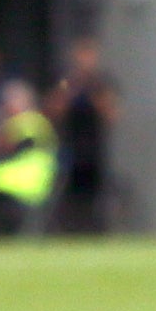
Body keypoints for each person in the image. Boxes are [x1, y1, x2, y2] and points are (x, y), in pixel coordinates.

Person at [0, 78, 57, 236]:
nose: (6, 105)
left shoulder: (27, 121)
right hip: (30, 179)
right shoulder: (36, 121)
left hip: (25, 180)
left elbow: (7, 146)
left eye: (9, 101)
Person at [49, 39, 119, 235]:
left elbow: (111, 114)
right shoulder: (66, 81)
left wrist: (96, 94)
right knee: (68, 194)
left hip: (94, 148)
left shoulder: (102, 83)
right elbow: (54, 109)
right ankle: (68, 231)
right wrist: (71, 90)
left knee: (96, 195)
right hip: (70, 146)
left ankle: (96, 231)